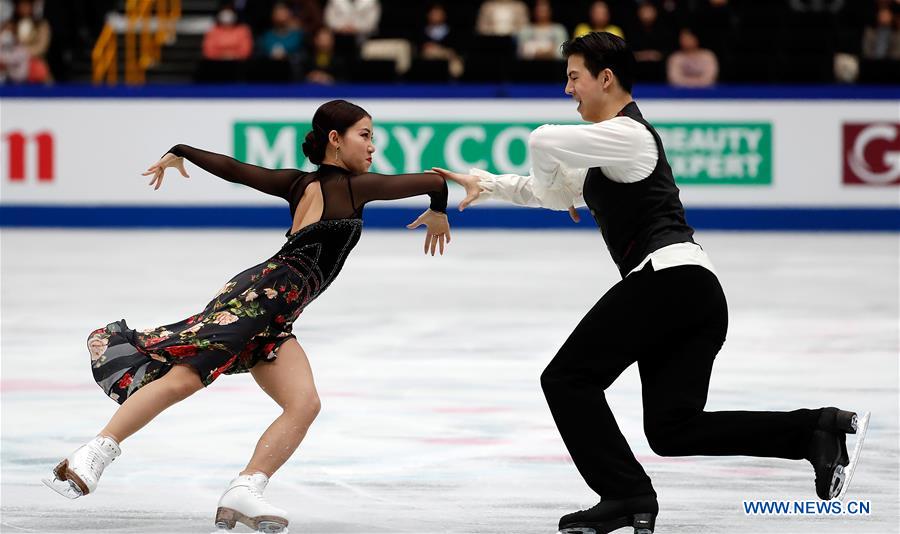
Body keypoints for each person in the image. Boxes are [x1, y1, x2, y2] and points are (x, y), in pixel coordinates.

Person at [432, 32, 868, 534]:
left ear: (606, 78)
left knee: (567, 379)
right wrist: (485, 184)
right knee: (672, 429)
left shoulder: (630, 135)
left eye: (574, 77)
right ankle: (813, 431)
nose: (568, 89)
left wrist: (552, 183)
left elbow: (541, 141)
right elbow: (547, 191)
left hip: (668, 281)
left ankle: (624, 494)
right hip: (693, 292)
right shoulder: (609, 153)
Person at [43, 100, 451, 534]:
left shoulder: (300, 183)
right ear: (336, 139)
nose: (373, 146)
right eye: (365, 135)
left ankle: (245, 487)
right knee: (186, 377)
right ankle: (95, 451)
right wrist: (441, 207)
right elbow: (431, 181)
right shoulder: (354, 187)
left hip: (276, 309)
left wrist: (182, 149)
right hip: (260, 298)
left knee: (303, 403)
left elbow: (235, 169)